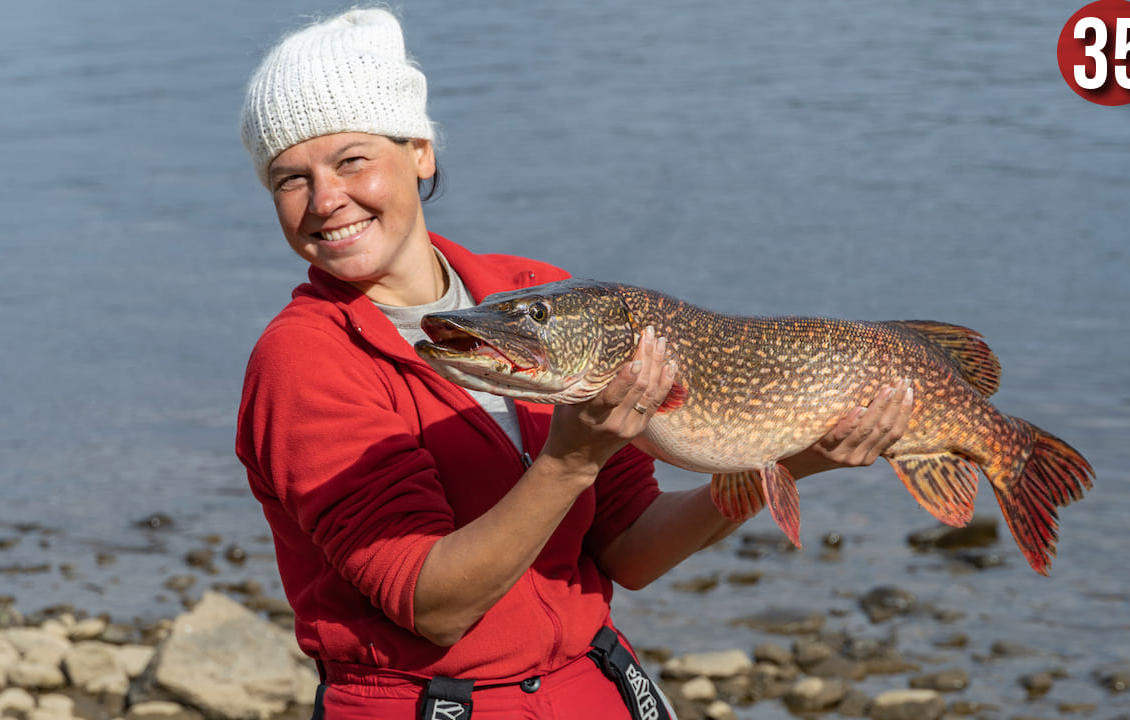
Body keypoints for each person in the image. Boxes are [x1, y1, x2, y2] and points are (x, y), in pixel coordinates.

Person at [234, 8, 914, 719]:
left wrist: (794, 458)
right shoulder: (305, 360)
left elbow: (629, 551)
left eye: (351, 160)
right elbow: (431, 606)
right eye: (290, 179)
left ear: (420, 152)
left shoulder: (540, 300)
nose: (326, 200)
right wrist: (568, 463)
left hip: (592, 690)